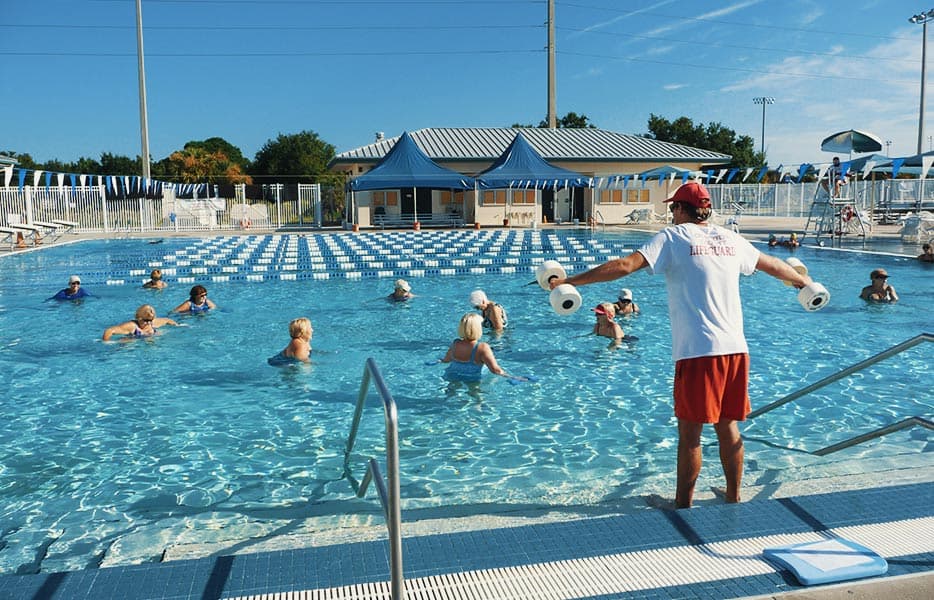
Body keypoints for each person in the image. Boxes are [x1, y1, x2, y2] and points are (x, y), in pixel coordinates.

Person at [549, 181, 813, 509]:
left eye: (673, 207)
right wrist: (804, 282)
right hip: (736, 349)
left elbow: (625, 266)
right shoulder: (731, 238)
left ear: (681, 209)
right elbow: (773, 265)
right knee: (728, 425)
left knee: (690, 434)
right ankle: (733, 497)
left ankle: (682, 506)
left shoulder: (673, 238)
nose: (670, 213)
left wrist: (571, 280)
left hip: (699, 352)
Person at [439, 313, 507, 381]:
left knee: (450, 390)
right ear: (478, 328)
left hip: (452, 374)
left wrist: (437, 361)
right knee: (474, 391)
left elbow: (446, 360)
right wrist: (511, 377)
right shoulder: (482, 347)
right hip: (472, 379)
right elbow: (495, 370)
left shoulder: (456, 343)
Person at [102, 304, 178, 341]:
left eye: (150, 321)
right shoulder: (132, 326)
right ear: (139, 318)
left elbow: (167, 320)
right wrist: (107, 342)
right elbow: (109, 331)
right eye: (146, 321)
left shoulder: (152, 322)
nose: (148, 323)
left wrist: (177, 325)